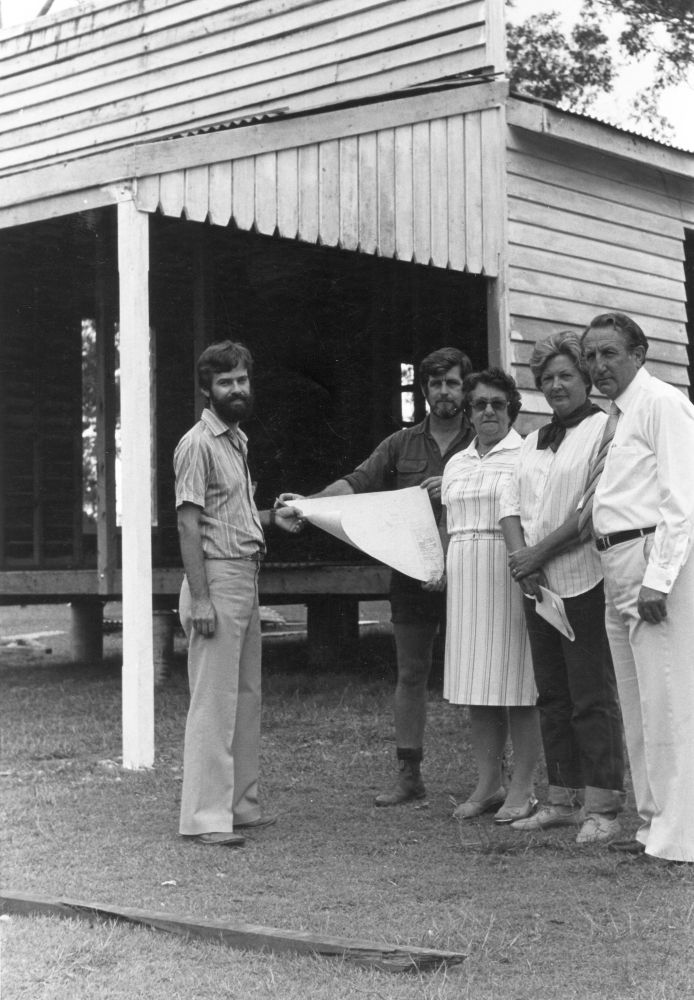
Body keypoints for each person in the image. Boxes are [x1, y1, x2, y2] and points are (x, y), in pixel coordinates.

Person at [280, 347, 474, 805]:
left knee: (483, 672)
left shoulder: (484, 437)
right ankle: (409, 777)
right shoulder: (400, 443)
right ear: (424, 390)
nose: (443, 392)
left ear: (465, 387)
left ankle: (496, 779)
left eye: (452, 383)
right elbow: (355, 484)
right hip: (411, 568)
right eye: (435, 383)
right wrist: (310, 504)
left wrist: (454, 484)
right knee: (411, 672)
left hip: (471, 567)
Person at [499, 332, 626, 845]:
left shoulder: (603, 432)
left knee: (590, 694)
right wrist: (522, 562)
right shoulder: (532, 440)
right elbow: (508, 504)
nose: (555, 385)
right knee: (551, 694)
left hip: (584, 581)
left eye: (565, 375)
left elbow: (590, 511)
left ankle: (603, 806)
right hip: (538, 587)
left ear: (585, 379)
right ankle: (562, 797)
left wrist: (539, 553)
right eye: (547, 378)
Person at [174, 340, 300, 847]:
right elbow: (188, 525)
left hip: (246, 575)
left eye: (242, 379)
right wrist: (201, 598)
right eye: (226, 382)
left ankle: (239, 807)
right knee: (214, 702)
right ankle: (205, 818)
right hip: (216, 580)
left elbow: (233, 518)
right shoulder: (197, 443)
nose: (237, 389)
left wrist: (274, 518)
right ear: (208, 389)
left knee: (246, 698)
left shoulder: (236, 441)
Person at [580, 312, 694, 863]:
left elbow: (682, 501)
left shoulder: (662, 404)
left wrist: (659, 578)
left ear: (639, 353)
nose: (598, 366)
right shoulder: (617, 417)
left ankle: (682, 834)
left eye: (609, 353)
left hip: (653, 563)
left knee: (669, 696)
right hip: (615, 562)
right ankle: (654, 822)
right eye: (591, 356)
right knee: (637, 700)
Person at [441, 367, 541, 823]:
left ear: (511, 409)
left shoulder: (525, 456)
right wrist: (437, 567)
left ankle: (523, 786)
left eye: (497, 404)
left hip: (508, 574)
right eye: (478, 404)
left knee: (518, 685)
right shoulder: (457, 463)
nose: (487, 412)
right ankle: (488, 783)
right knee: (476, 684)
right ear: (469, 411)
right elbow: (447, 525)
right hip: (465, 580)